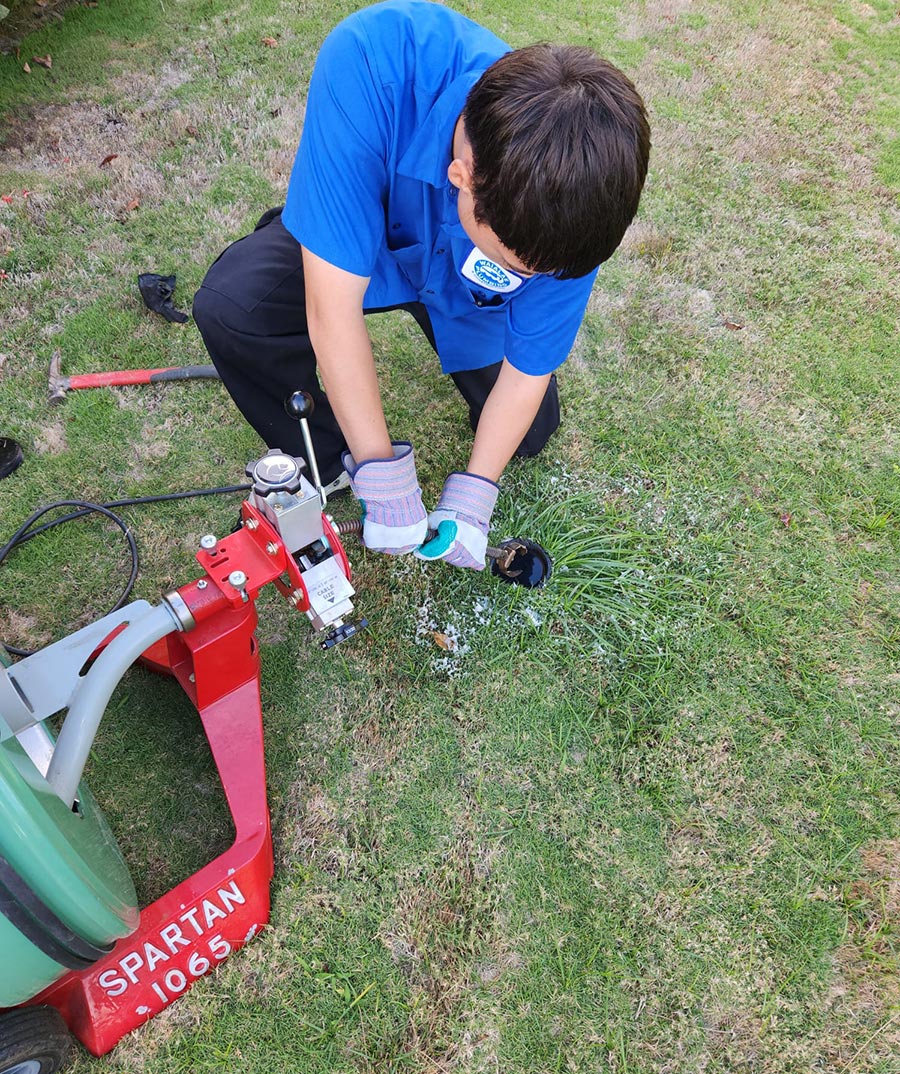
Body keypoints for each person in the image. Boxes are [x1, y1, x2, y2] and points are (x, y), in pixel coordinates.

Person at [193, 0, 650, 570]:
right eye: (519, 266)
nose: (533, 279)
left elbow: (530, 368)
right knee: (234, 306)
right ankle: (332, 461)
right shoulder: (369, 57)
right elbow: (332, 311)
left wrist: (477, 489)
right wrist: (378, 470)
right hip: (370, 240)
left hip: (461, 289)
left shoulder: (581, 194)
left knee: (530, 431)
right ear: (462, 179)